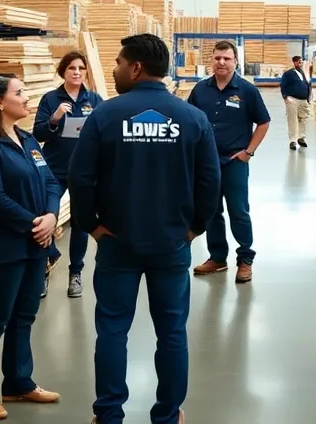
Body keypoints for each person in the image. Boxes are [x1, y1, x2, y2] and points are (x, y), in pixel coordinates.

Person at [68, 34, 221, 424]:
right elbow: (210, 181)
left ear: (136, 68)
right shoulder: (192, 118)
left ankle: (108, 414)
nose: (115, 69)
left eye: (119, 63)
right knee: (172, 332)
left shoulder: (105, 116)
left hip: (117, 241)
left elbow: (80, 178)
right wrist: (195, 228)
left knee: (112, 330)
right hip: (172, 243)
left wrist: (92, 226)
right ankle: (168, 415)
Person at [0, 75, 64, 420]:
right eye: (19, 93)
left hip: (34, 243)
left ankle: (19, 382)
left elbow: (51, 181)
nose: (27, 97)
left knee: (25, 315)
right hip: (4, 245)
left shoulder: (27, 139)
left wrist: (51, 215)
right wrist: (36, 223)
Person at [187, 40, 271, 283]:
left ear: (235, 61)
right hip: (206, 163)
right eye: (217, 58)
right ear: (211, 60)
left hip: (235, 162)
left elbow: (263, 122)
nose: (221, 62)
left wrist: (248, 152)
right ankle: (217, 257)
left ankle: (245, 259)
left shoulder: (247, 90)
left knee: (239, 210)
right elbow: (189, 119)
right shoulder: (200, 90)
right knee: (212, 210)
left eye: (227, 58)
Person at [33, 51, 105, 298]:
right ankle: (44, 269)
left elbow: (105, 131)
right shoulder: (50, 99)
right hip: (55, 169)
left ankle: (76, 273)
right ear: (63, 71)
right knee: (46, 218)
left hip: (84, 171)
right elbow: (38, 134)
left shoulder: (94, 99)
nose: (76, 72)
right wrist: (55, 119)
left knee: (80, 223)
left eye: (81, 68)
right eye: (71, 68)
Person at [280, 55, 313, 151]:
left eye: (301, 62)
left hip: (303, 100)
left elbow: (308, 85)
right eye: (299, 62)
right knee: (292, 119)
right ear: (294, 63)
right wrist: (285, 96)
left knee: (302, 119)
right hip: (293, 99)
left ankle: (301, 138)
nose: (300, 63)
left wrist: (308, 97)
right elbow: (283, 85)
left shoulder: (303, 73)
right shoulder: (288, 74)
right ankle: (293, 140)